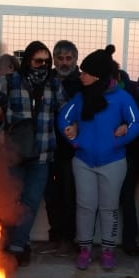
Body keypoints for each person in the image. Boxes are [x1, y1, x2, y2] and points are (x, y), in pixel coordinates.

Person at [57, 45, 139, 270]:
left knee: (109, 207)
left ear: (98, 75)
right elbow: (64, 118)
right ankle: (84, 249)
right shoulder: (80, 97)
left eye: (85, 72)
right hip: (83, 161)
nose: (81, 75)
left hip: (113, 162)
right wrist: (73, 139)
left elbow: (136, 122)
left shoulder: (122, 98)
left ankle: (107, 251)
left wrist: (119, 141)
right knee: (85, 206)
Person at [0, 40, 62, 266]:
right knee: (10, 201)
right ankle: (6, 243)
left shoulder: (54, 84)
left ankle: (18, 245)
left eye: (46, 61)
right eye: (37, 60)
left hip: (42, 155)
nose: (42, 65)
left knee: (30, 202)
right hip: (15, 153)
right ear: (28, 60)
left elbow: (66, 112)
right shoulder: (10, 82)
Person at [43, 39, 81, 254]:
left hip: (72, 150)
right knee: (51, 196)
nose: (64, 63)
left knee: (71, 195)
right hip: (47, 147)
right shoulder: (46, 80)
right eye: (60, 58)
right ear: (54, 60)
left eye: (68, 59)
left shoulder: (82, 83)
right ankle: (55, 236)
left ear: (75, 59)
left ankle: (71, 237)